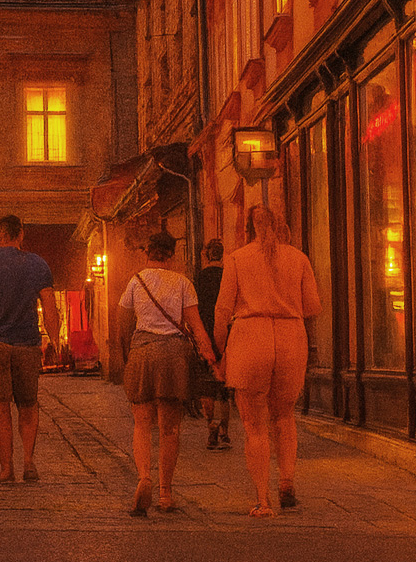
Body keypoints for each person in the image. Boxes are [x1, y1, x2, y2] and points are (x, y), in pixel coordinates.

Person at [214, 205, 323, 518]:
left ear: (248, 228)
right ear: (281, 224)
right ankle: (287, 481)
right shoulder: (298, 258)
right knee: (284, 415)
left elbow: (223, 310)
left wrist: (219, 350)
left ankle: (262, 500)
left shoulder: (236, 259)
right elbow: (313, 306)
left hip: (250, 335)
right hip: (291, 335)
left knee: (254, 425)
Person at [118, 231, 218, 516]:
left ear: (147, 253)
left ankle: (144, 478)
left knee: (141, 424)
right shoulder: (183, 283)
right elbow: (196, 325)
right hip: (174, 355)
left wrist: (127, 356)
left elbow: (123, 320)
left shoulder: (136, 282)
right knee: (170, 428)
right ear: (172, 255)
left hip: (142, 351)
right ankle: (165, 494)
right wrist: (210, 355)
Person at [0, 214, 60, 484]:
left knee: (0, 407)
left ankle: (6, 468)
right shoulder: (37, 264)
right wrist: (55, 339)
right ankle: (28, 461)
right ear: (20, 235)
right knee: (28, 405)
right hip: (27, 343)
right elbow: (49, 305)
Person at [195, 239, 232, 451]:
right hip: (227, 334)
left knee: (207, 386)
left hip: (205, 335)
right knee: (225, 387)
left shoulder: (199, 279)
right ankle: (225, 431)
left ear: (207, 255)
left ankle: (211, 428)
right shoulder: (228, 276)